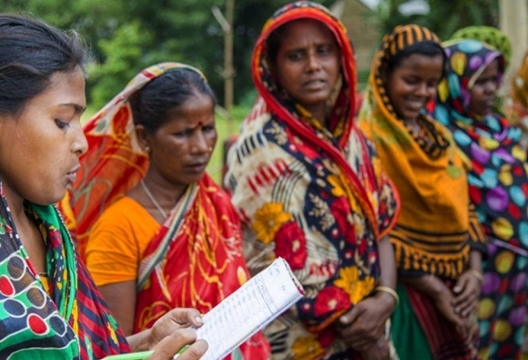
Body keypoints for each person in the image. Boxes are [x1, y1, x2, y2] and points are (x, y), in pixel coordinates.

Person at [0, 13, 208, 359]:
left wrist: (145, 344)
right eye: (62, 121)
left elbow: (68, 351)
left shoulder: (47, 228)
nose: (82, 142)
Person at [224, 2, 400, 359]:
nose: (313, 66)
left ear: (342, 59)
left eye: (323, 51)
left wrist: (385, 298)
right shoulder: (259, 150)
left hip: (372, 324)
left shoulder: (356, 140)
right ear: (272, 67)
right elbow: (266, 263)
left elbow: (381, 229)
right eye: (296, 56)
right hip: (299, 341)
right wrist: (367, 339)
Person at [60, 62, 270, 359]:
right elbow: (113, 347)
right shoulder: (119, 226)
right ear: (145, 138)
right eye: (183, 134)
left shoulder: (215, 201)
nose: (201, 147)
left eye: (208, 129)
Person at [357, 26, 486, 360]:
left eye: (432, 83)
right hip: (400, 293)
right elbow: (376, 229)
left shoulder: (439, 137)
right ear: (385, 75)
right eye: (411, 80)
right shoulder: (366, 140)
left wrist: (474, 272)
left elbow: (465, 208)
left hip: (455, 288)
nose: (423, 92)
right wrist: (436, 289)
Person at [428, 39, 528, 360]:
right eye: (479, 82)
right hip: (477, 268)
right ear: (455, 83)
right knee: (475, 345)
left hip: (518, 266)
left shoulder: (502, 129)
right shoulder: (440, 136)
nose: (490, 90)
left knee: (511, 343)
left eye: (493, 80)